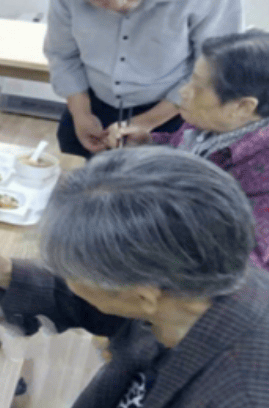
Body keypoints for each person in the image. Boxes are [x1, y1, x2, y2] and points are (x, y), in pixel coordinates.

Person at [0, 148, 268, 408]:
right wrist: (8, 273)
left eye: (70, 274)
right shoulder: (201, 271)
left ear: (143, 295)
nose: (67, 280)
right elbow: (108, 304)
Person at [44, 0, 243, 158]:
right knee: (75, 171)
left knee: (154, 178)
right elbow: (62, 54)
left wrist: (148, 122)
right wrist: (81, 113)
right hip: (92, 103)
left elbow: (215, 69)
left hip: (173, 111)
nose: (117, 4)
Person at [107, 30, 269, 270]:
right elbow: (183, 150)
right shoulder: (210, 122)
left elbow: (244, 261)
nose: (184, 91)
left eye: (198, 86)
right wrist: (149, 142)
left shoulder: (262, 171)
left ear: (243, 106)